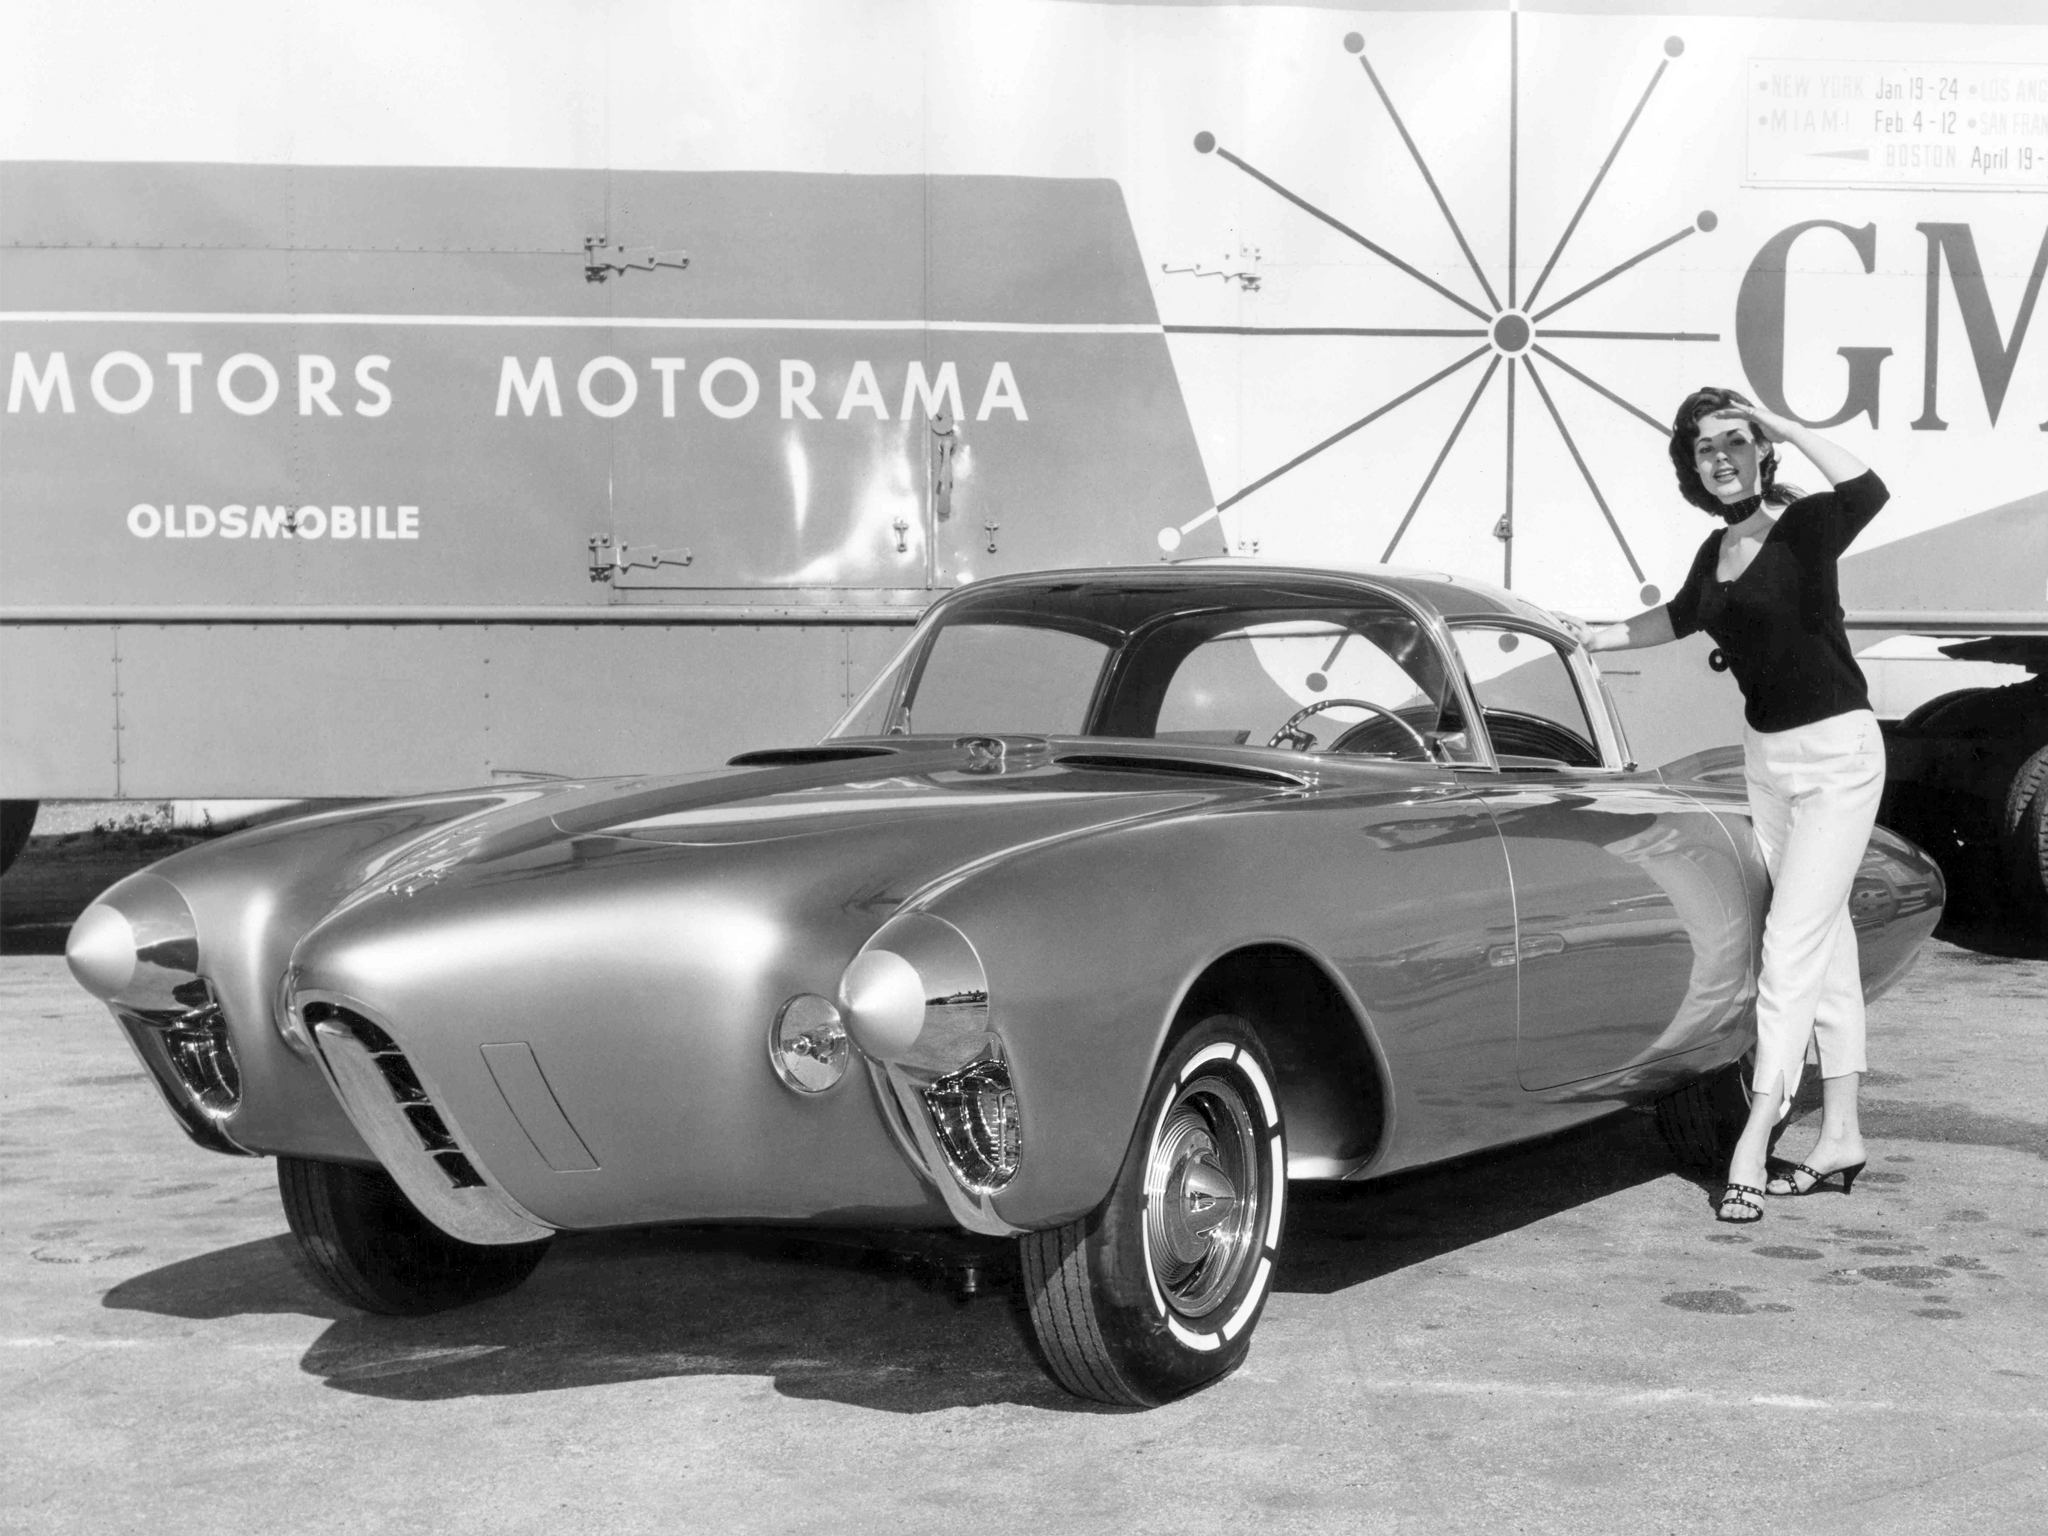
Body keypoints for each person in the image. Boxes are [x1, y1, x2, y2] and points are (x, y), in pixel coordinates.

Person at [1559, 385, 1888, 1223]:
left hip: (1839, 755)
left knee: (1789, 945)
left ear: (1762, 450)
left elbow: (1869, 489)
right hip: (1767, 759)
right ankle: (1841, 1134)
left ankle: (1755, 1134)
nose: (1722, 457)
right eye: (1706, 447)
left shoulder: (1805, 525)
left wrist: (1785, 423)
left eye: (1737, 441)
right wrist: (1585, 634)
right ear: (1693, 465)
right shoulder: (1716, 548)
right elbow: (1676, 618)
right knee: (1827, 945)